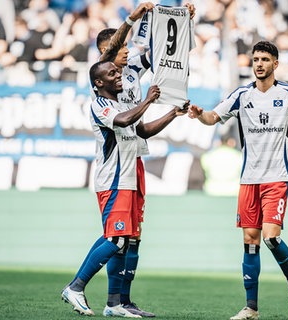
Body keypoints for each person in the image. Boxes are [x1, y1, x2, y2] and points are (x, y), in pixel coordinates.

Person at [68, 2, 195, 317]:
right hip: (113, 174)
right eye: (116, 51)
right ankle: (76, 286)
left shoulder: (131, 73)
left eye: (124, 48)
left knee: (131, 237)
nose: (123, 53)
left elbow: (169, 57)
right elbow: (124, 119)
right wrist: (133, 18)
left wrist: (184, 24)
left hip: (133, 161)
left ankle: (118, 302)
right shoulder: (102, 87)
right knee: (117, 234)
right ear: (104, 56)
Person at [188, 40, 288, 320]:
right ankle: (251, 308)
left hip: (277, 177)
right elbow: (213, 117)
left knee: (271, 238)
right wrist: (200, 116)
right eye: (256, 59)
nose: (259, 64)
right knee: (250, 240)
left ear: (275, 64)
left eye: (265, 59)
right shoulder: (242, 95)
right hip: (249, 179)